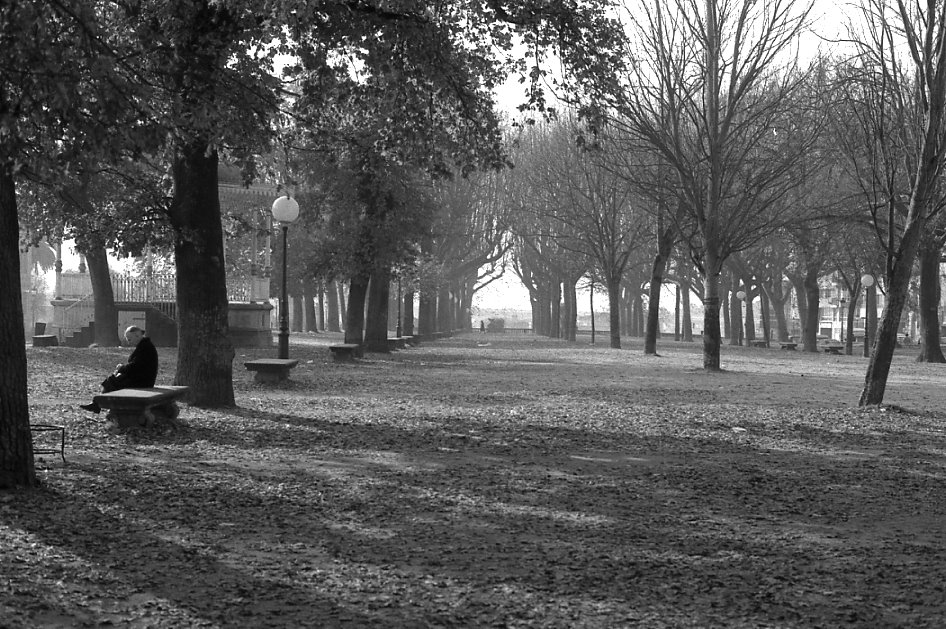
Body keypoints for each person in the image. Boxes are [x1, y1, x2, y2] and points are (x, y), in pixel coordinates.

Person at [80, 326, 158, 414]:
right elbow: (137, 366)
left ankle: (100, 405)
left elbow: (135, 366)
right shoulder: (145, 346)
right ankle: (97, 404)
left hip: (142, 382)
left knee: (112, 381)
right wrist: (123, 369)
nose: (129, 342)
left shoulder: (145, 348)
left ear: (137, 335)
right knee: (113, 379)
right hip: (142, 379)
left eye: (130, 339)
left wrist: (122, 368)